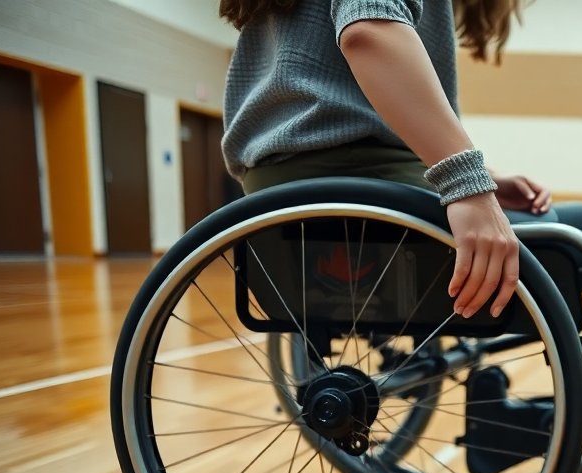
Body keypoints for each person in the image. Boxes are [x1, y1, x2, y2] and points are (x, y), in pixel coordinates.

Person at [220, 0, 545, 320]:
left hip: (272, 190)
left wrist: (485, 176)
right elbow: (369, 30)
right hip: (371, 180)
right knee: (567, 227)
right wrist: (467, 183)